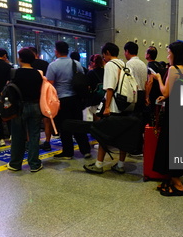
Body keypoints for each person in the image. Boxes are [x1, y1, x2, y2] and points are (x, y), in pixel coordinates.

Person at [150, 41, 183, 196]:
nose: (167, 56)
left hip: (174, 112)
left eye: (169, 53)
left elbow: (166, 92)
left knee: (170, 144)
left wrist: (158, 78)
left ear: (175, 54)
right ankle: (174, 177)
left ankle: (177, 184)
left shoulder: (174, 69)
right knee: (179, 144)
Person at [83, 42, 128, 174]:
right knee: (122, 136)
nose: (104, 58)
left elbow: (109, 88)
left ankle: (98, 165)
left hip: (113, 106)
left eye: (104, 55)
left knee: (102, 134)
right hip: (124, 104)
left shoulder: (110, 65)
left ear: (107, 53)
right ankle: (120, 165)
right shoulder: (124, 64)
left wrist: (107, 107)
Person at [46, 41, 91, 160]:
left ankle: (68, 152)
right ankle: (86, 150)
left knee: (65, 126)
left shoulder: (53, 65)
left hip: (62, 100)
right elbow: (82, 80)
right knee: (79, 124)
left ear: (56, 51)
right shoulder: (76, 63)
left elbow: (49, 85)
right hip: (76, 99)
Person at [7, 48, 43, 172]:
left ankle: (15, 164)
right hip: (35, 106)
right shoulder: (38, 73)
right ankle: (34, 164)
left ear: (20, 58)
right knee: (34, 135)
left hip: (19, 107)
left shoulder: (15, 73)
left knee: (17, 135)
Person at [28, 47, 53, 152]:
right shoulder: (46, 64)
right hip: (45, 95)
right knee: (46, 120)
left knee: (32, 121)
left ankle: (31, 143)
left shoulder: (29, 65)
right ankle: (47, 142)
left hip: (32, 96)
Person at [144, 46, 167, 126]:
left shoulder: (150, 65)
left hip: (153, 95)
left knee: (151, 116)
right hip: (161, 94)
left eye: (146, 52)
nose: (145, 54)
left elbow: (150, 81)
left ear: (149, 55)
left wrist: (146, 96)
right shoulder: (159, 65)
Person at [86, 54, 105, 121]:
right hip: (105, 98)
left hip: (95, 98)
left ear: (92, 62)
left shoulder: (90, 73)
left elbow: (88, 86)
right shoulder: (105, 71)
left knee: (96, 117)